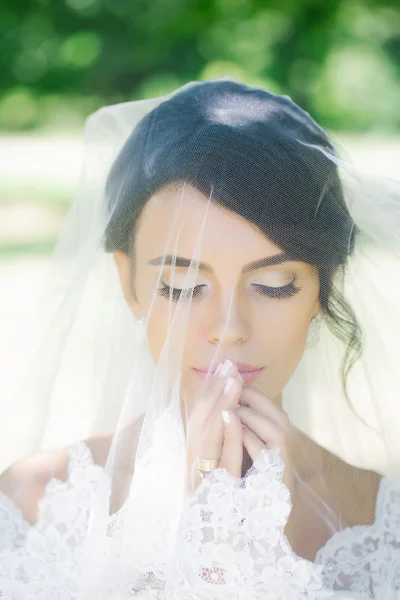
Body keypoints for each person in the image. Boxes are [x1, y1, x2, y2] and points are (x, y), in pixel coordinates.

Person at [1, 78, 400, 599]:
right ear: (129, 283)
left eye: (272, 284)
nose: (228, 328)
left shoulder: (377, 520)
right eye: (183, 286)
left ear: (322, 290)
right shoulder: (35, 502)